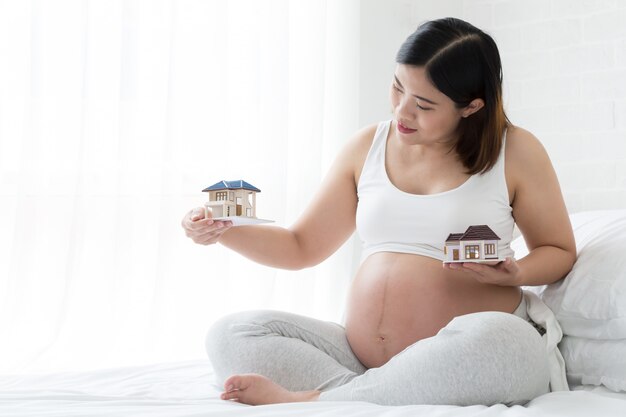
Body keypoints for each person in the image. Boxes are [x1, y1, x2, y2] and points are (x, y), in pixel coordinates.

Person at [181, 17, 576, 407]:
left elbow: (558, 250)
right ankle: (354, 395)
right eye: (397, 88)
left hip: (470, 349)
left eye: (423, 104)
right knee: (232, 332)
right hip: (359, 360)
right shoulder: (367, 145)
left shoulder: (517, 151)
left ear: (471, 107)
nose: (402, 112)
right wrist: (223, 229)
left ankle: (319, 399)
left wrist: (517, 272)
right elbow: (300, 246)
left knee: (503, 342)